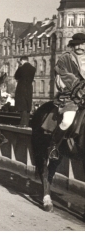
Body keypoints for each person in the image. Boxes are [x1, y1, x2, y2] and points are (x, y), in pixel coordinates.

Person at [47, 32, 85, 160]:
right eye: (77, 45)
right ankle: (53, 146)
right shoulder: (65, 59)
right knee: (67, 121)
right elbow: (65, 78)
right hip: (71, 96)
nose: (80, 47)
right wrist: (80, 91)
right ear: (72, 46)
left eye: (83, 44)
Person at [14, 56, 36, 127]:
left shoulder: (21, 68)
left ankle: (22, 123)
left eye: (21, 62)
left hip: (21, 88)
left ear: (22, 61)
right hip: (29, 88)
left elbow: (16, 76)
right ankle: (26, 123)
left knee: (22, 105)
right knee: (27, 105)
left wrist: (18, 67)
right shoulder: (33, 68)